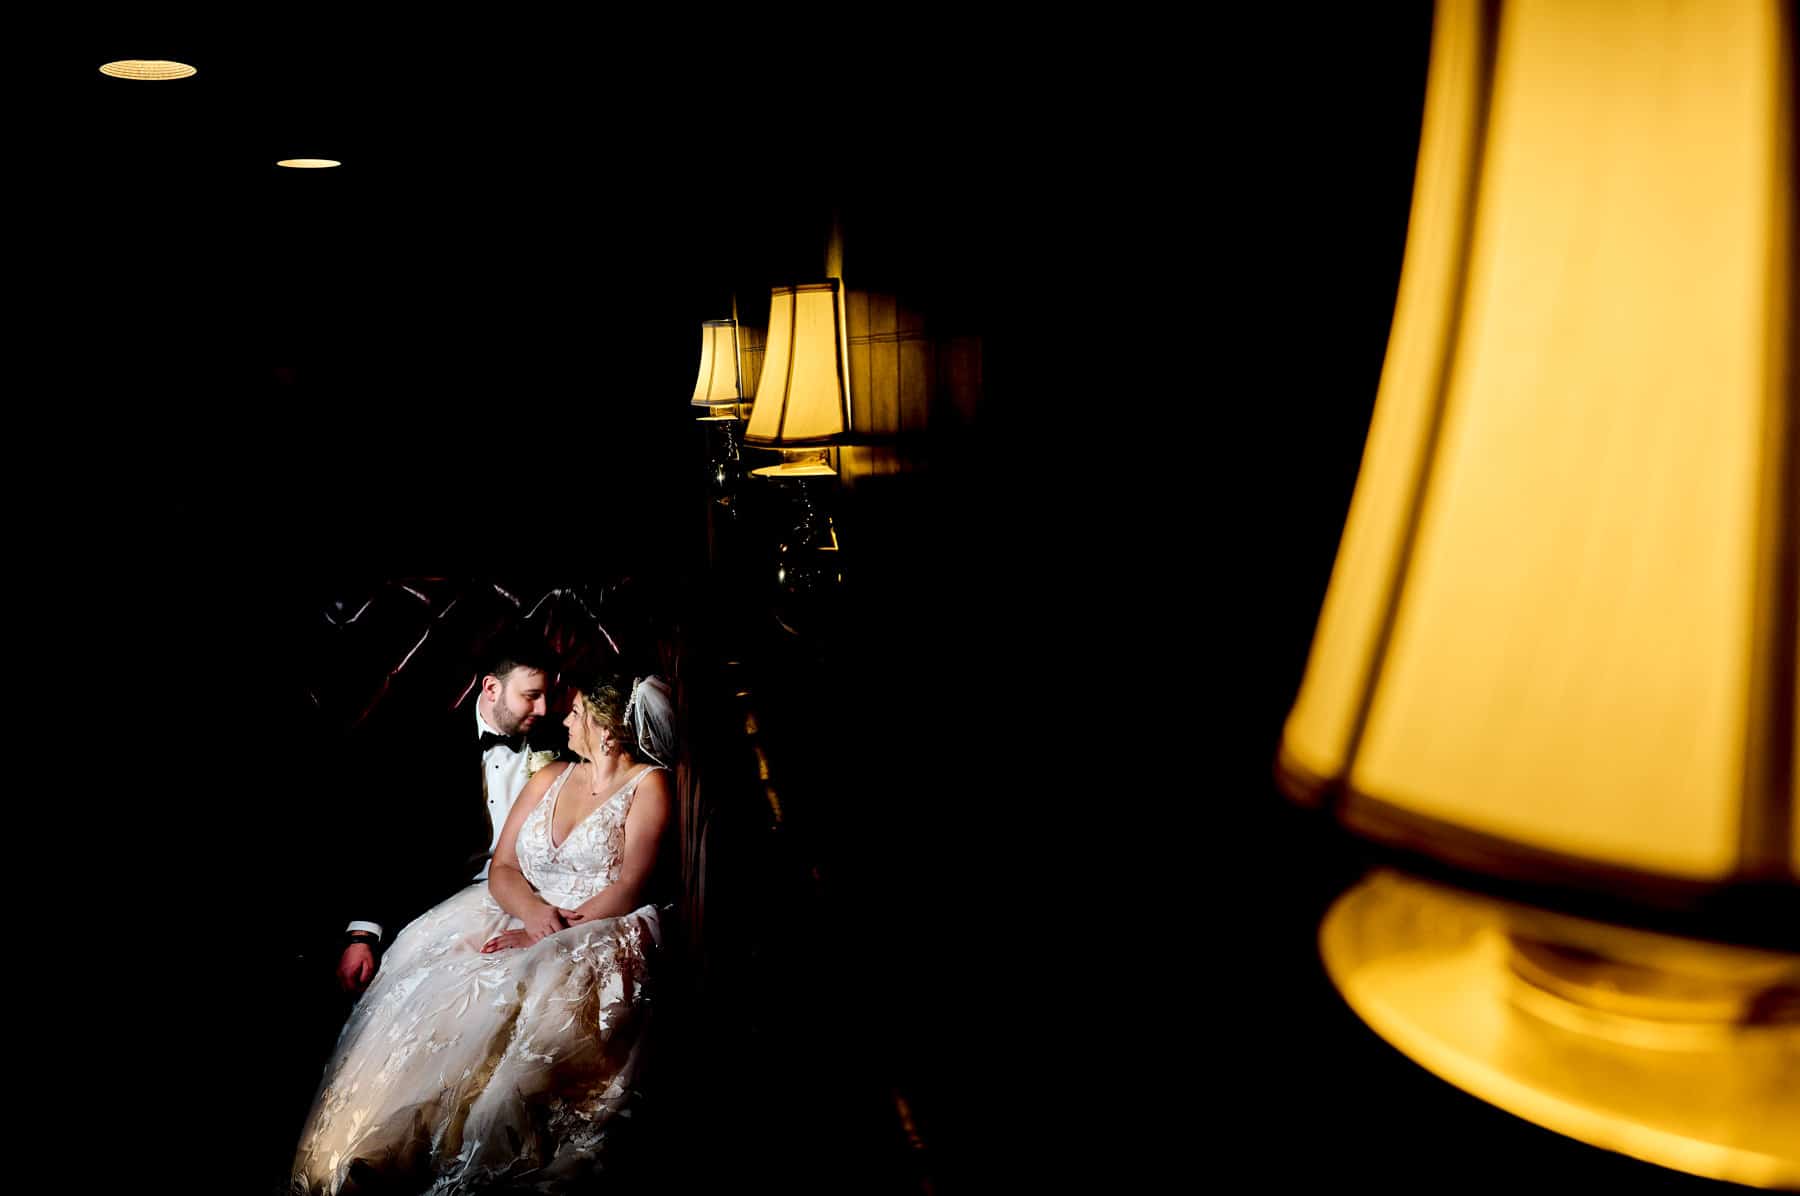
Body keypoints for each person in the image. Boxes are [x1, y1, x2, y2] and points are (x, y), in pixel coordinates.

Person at [291, 671, 676, 1194]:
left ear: (607, 730)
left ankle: (455, 1160)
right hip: (512, 910)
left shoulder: (649, 785)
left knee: (518, 1040)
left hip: (593, 927)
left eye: (576, 710)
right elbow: (503, 868)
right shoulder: (550, 775)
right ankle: (375, 1150)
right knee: (431, 998)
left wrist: (549, 934)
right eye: (540, 699)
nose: (561, 715)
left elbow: (630, 886)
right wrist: (533, 914)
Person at [335, 636, 560, 995]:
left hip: (534, 897)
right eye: (531, 695)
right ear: (491, 688)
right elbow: (383, 838)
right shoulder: (425, 745)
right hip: (444, 905)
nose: (545, 708)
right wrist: (363, 934)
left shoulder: (562, 742)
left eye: (547, 694)